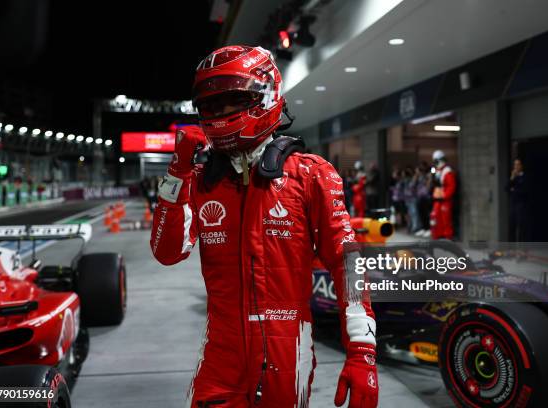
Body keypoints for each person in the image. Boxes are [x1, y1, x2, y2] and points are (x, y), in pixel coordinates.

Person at [150, 45, 378, 408]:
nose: (220, 112)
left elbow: (349, 263)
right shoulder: (196, 180)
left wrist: (362, 352)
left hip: (287, 355)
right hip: (220, 358)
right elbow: (166, 252)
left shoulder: (311, 175)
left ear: (265, 96)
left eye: (231, 100)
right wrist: (176, 174)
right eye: (210, 105)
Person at [430, 150, 456, 239]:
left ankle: (447, 237)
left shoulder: (447, 171)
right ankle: (437, 235)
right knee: (435, 217)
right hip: (438, 199)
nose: (435, 163)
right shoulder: (438, 171)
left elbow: (451, 186)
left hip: (445, 200)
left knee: (446, 220)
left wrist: (445, 195)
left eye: (436, 161)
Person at [508, 158, 527, 241]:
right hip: (513, 204)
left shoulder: (524, 176)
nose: (516, 166)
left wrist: (514, 190)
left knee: (521, 226)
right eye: (515, 164)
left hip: (521, 204)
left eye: (518, 164)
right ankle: (511, 247)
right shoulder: (514, 177)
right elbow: (506, 188)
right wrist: (512, 177)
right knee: (512, 225)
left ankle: (522, 247)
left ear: (521, 166)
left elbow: (524, 190)